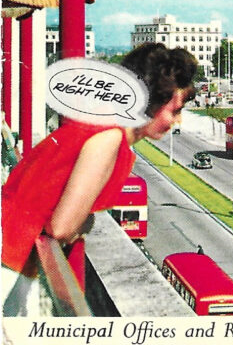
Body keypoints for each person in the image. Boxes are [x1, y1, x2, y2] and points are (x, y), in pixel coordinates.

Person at [2, 43, 197, 316]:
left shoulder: (102, 126)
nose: (177, 121)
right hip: (10, 260)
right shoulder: (109, 139)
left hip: (13, 252)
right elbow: (61, 228)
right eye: (174, 110)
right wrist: (87, 220)